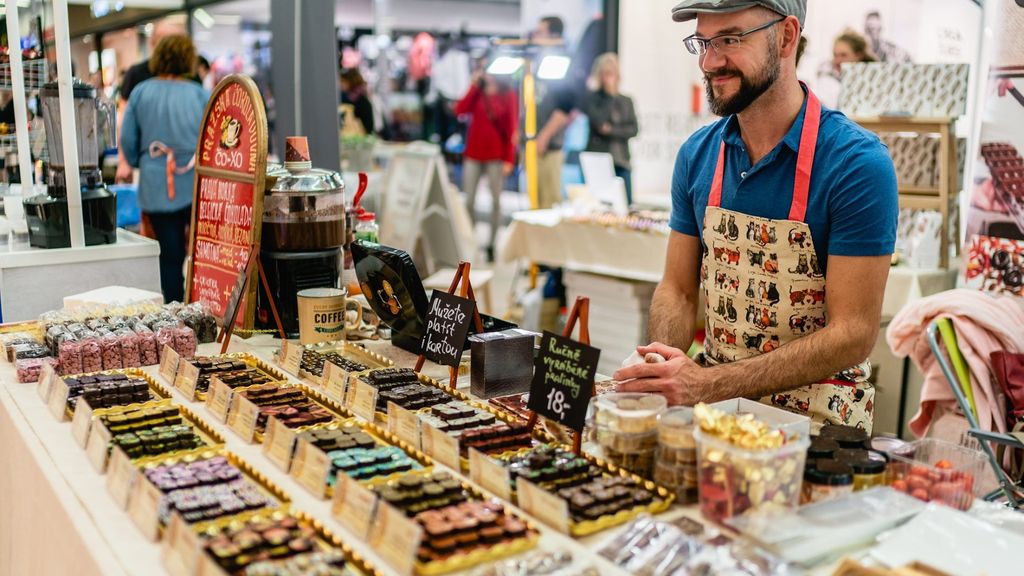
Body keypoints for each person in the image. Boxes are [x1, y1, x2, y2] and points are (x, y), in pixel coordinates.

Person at [612, 0, 898, 433]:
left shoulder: (856, 163)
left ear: (786, 36)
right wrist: (659, 364)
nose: (710, 61)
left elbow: (853, 333)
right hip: (715, 414)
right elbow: (678, 289)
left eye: (730, 39)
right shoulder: (697, 154)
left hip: (819, 424)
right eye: (703, 42)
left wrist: (707, 385)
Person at [120, 35, 209, 303]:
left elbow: (127, 139)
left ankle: (174, 309)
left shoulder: (141, 92)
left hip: (156, 183)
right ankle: (202, 306)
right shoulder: (200, 94)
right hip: (196, 182)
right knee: (201, 253)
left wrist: (141, 161)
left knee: (169, 256)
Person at [454, 66, 519, 262]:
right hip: (473, 153)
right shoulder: (479, 92)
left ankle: (491, 244)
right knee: (469, 200)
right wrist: (474, 86)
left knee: (496, 201)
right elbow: (460, 110)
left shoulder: (508, 95)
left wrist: (509, 158)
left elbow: (512, 128)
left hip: (496, 156)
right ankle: (469, 240)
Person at [116, 18, 186, 184]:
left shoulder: (189, 77)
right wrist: (124, 162)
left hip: (184, 164)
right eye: (166, 42)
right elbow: (123, 120)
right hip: (146, 164)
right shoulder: (137, 74)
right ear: (153, 43)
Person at [533, 16, 577, 209]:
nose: (536, 36)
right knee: (535, 200)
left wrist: (544, 136)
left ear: (554, 35)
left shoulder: (562, 62)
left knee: (549, 201)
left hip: (549, 146)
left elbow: (564, 109)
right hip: (532, 142)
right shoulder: (537, 61)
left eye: (541, 32)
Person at [585, 52, 639, 204]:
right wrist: (609, 96)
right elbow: (599, 124)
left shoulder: (626, 101)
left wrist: (611, 130)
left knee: (625, 204)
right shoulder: (594, 99)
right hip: (599, 161)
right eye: (604, 74)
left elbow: (633, 130)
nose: (608, 78)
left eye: (611, 73)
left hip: (621, 160)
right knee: (600, 206)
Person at [816, 29, 876, 108]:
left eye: (843, 55)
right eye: (835, 55)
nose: (837, 61)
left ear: (859, 55)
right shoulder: (827, 81)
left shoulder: (875, 82)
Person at [339, 68, 375, 135]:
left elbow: (369, 128)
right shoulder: (343, 97)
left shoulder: (363, 103)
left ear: (351, 81)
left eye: (343, 81)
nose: (340, 84)